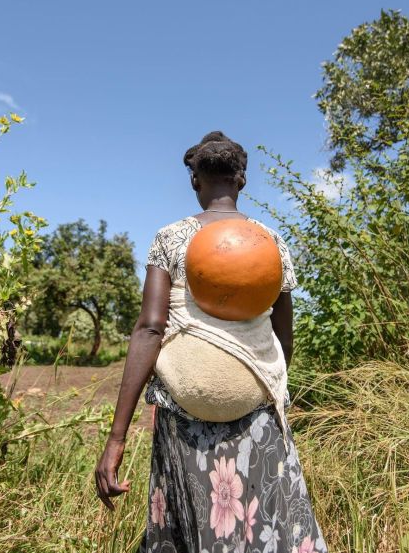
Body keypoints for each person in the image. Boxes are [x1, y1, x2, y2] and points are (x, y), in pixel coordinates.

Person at [95, 132, 328, 553]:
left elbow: (150, 328)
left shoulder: (169, 239)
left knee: (190, 526)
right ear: (241, 180)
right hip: (255, 413)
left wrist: (116, 438)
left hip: (185, 420)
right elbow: (283, 338)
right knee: (264, 523)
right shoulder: (271, 243)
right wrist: (269, 388)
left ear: (194, 181)